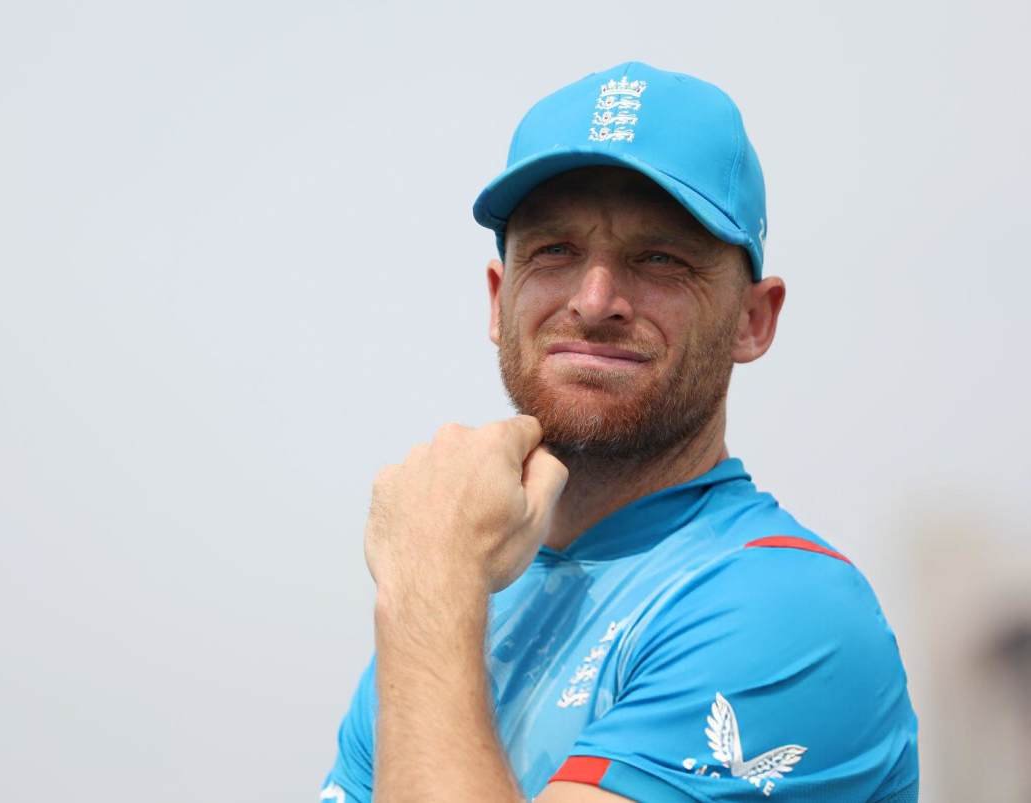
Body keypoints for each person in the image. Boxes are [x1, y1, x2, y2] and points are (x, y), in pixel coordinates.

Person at [320, 61, 919, 803]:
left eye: (660, 258)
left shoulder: (789, 613)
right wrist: (437, 592)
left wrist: (427, 584)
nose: (595, 300)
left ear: (753, 319)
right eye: (555, 251)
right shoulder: (463, 605)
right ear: (500, 301)